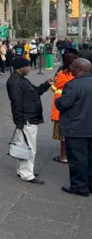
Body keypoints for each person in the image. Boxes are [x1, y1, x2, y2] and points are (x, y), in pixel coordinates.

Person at [6, 56, 52, 184]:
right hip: (27, 118)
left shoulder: (21, 79)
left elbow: (36, 91)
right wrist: (19, 121)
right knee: (29, 147)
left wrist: (46, 84)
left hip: (28, 117)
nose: (29, 68)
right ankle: (27, 173)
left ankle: (24, 170)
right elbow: (16, 102)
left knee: (24, 145)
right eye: (27, 66)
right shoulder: (16, 81)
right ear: (20, 68)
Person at [56, 58, 92, 197]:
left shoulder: (73, 85)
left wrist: (58, 99)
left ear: (78, 69)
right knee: (90, 156)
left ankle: (79, 186)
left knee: (77, 158)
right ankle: (89, 184)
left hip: (76, 127)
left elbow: (63, 104)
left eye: (72, 67)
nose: (69, 68)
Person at [51, 53, 77, 164]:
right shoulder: (78, 74)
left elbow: (53, 87)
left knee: (63, 134)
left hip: (61, 107)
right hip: (76, 107)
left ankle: (63, 156)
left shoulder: (61, 74)